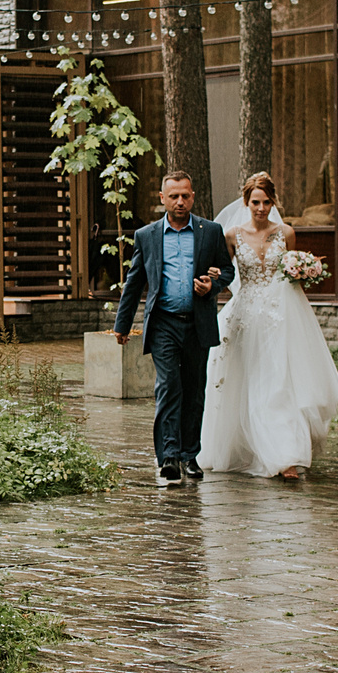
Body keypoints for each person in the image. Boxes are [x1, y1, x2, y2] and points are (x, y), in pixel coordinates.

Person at [200, 171, 338, 480]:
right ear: (246, 202)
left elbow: (291, 273)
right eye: (256, 202)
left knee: (280, 383)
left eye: (267, 202)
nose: (261, 208)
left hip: (282, 314)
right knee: (249, 382)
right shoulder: (231, 235)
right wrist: (214, 277)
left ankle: (286, 456)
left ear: (273, 202)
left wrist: (302, 272)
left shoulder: (287, 233)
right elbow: (227, 275)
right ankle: (249, 447)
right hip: (246, 315)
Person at [111, 168, 233, 487]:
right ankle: (168, 456)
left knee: (194, 390)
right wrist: (121, 325)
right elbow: (134, 281)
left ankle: (190, 455)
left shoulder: (211, 231)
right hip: (163, 322)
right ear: (162, 198)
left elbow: (228, 270)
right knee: (168, 386)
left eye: (186, 195)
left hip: (198, 323)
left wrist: (214, 283)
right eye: (174, 196)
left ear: (193, 196)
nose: (180, 201)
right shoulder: (147, 235)